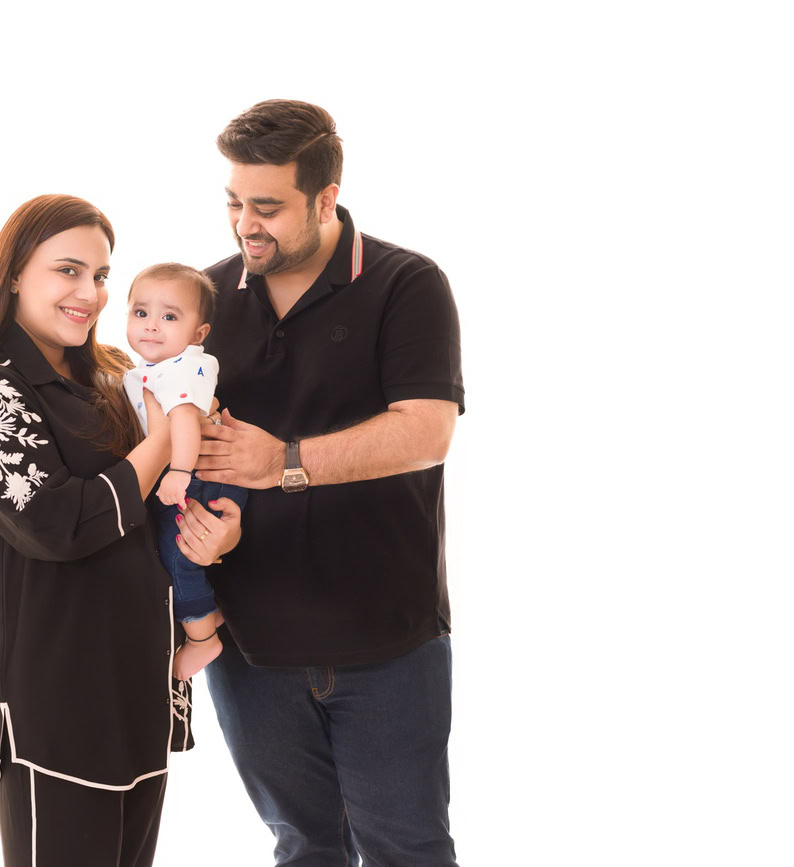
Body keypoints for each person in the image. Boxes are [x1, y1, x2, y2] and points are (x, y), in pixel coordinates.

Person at [0, 194, 242, 867]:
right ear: (15, 271)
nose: (90, 294)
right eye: (67, 271)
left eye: (101, 276)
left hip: (139, 694)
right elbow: (59, 524)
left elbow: (179, 499)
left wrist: (222, 532)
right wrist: (166, 435)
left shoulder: (116, 377)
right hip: (55, 710)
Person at [196, 100, 466, 865]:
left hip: (386, 642)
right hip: (251, 651)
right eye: (235, 203)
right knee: (302, 846)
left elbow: (427, 430)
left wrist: (280, 460)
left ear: (326, 196)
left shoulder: (406, 283)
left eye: (269, 207)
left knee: (407, 847)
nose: (247, 224)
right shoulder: (208, 299)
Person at [121, 263, 249, 681]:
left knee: (180, 555)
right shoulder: (156, 368)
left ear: (198, 334)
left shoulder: (182, 367)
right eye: (141, 313)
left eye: (169, 317)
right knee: (169, 550)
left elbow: (184, 421)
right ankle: (204, 616)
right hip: (192, 470)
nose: (152, 326)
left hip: (199, 475)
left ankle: (201, 640)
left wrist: (178, 470)